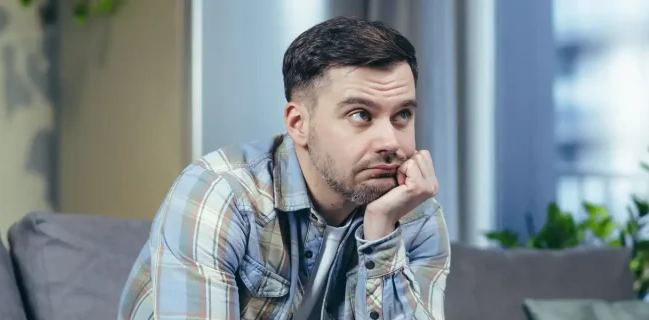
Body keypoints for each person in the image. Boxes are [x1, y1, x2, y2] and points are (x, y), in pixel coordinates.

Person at [118, 16, 450, 320]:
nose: (391, 141)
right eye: (361, 115)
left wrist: (381, 234)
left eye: (402, 115)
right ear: (298, 123)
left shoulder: (415, 218)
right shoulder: (220, 194)